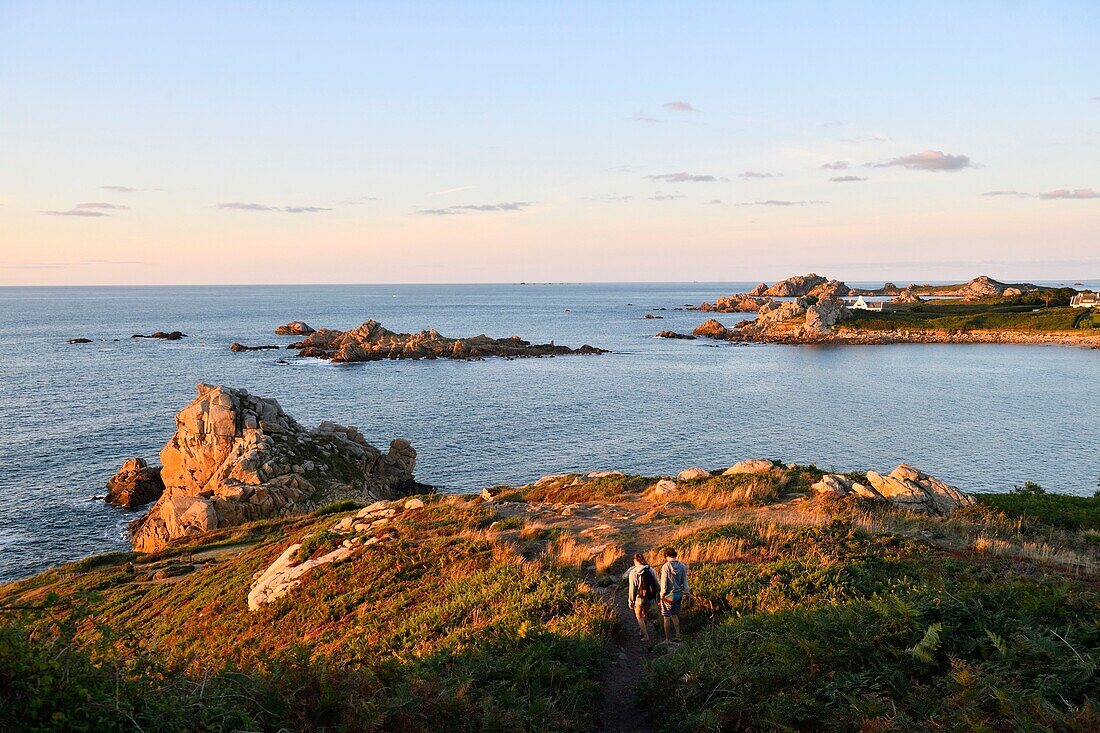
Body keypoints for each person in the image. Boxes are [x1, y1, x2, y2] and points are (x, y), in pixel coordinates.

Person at [626, 553, 659, 642]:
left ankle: (646, 636)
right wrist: (658, 594)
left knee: (639, 616)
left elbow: (632, 588)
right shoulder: (650, 569)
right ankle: (642, 630)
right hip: (650, 597)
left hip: (639, 597)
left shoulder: (633, 572)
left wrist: (631, 600)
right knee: (645, 614)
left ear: (635, 560)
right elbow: (656, 583)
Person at [659, 547, 689, 643]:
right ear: (675, 555)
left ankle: (667, 639)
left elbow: (663, 584)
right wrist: (687, 592)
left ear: (667, 556)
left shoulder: (665, 567)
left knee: (666, 616)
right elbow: (685, 582)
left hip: (668, 595)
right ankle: (678, 635)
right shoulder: (682, 566)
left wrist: (662, 595)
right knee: (675, 615)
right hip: (678, 594)